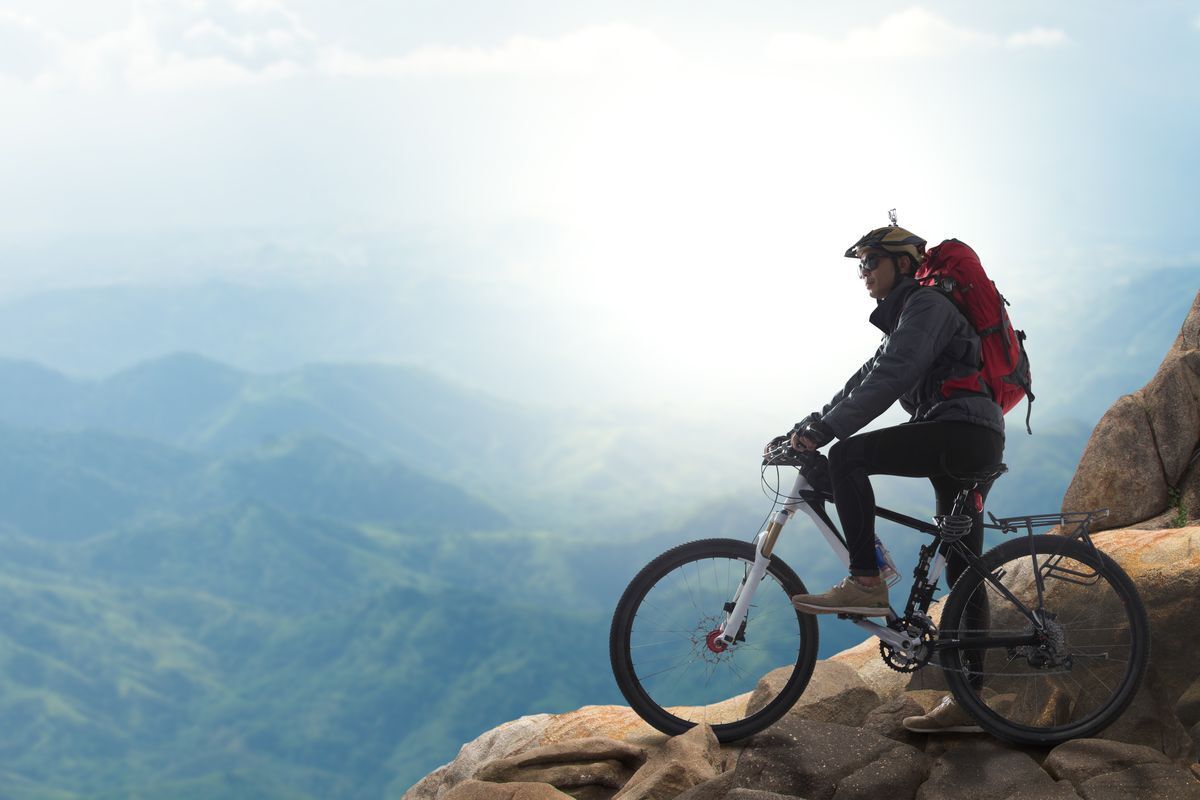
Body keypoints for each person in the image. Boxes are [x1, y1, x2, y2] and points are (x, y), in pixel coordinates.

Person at [766, 221, 1005, 733]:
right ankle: (972, 705)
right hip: (966, 435)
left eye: (869, 262)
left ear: (901, 264)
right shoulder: (907, 316)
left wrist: (830, 432)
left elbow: (893, 375)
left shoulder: (926, 306)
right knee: (963, 567)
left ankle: (866, 580)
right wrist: (808, 426)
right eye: (859, 265)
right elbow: (866, 378)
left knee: (849, 456)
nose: (863, 273)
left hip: (961, 432)